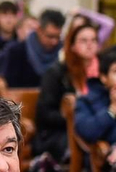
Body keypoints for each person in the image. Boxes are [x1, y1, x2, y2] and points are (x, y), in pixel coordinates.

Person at [32, 17, 100, 162]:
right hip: (59, 133)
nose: (90, 45)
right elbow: (44, 114)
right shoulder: (57, 73)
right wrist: (74, 118)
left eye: (93, 40)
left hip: (94, 130)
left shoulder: (103, 73)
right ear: (73, 45)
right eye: (83, 41)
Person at [0, 8, 65, 88]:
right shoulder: (16, 51)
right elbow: (9, 86)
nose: (54, 42)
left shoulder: (63, 52)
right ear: (39, 30)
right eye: (50, 36)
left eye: (58, 37)